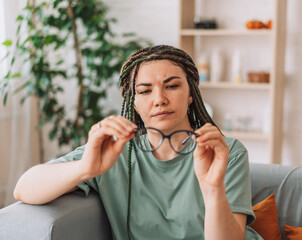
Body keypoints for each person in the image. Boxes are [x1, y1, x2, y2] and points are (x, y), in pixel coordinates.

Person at [13, 45, 263, 240]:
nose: (159, 99)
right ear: (133, 102)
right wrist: (85, 169)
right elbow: (23, 188)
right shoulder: (115, 153)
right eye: (144, 91)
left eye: (172, 86)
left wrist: (212, 188)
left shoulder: (224, 151)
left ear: (190, 94)